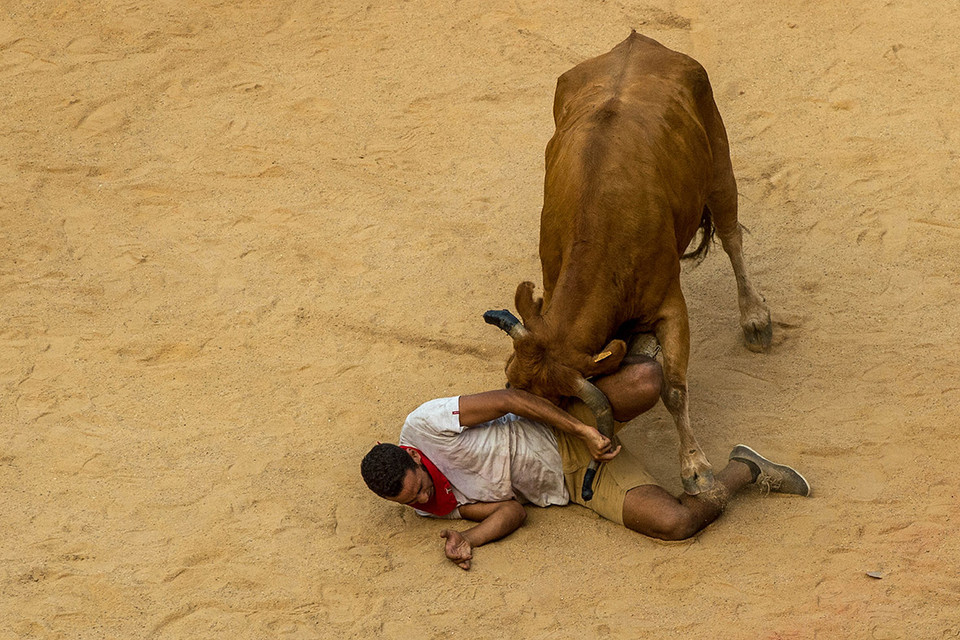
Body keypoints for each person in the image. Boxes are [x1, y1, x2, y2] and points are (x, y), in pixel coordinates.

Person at [360, 341, 810, 570]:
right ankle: (746, 468)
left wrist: (581, 429)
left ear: (413, 455)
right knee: (675, 524)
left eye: (420, 486)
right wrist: (468, 539)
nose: (423, 498)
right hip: (578, 482)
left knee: (647, 379)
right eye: (411, 501)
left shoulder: (426, 423)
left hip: (559, 421)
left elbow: (510, 399)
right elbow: (510, 511)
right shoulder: (427, 505)